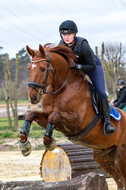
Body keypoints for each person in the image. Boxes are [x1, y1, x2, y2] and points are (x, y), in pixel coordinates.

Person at [59, 20, 116, 136]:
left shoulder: (83, 45)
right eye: (64, 35)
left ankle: (107, 122)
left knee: (100, 91)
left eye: (69, 35)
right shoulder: (61, 45)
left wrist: (78, 66)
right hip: (76, 68)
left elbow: (91, 65)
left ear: (74, 34)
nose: (66, 37)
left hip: (92, 67)